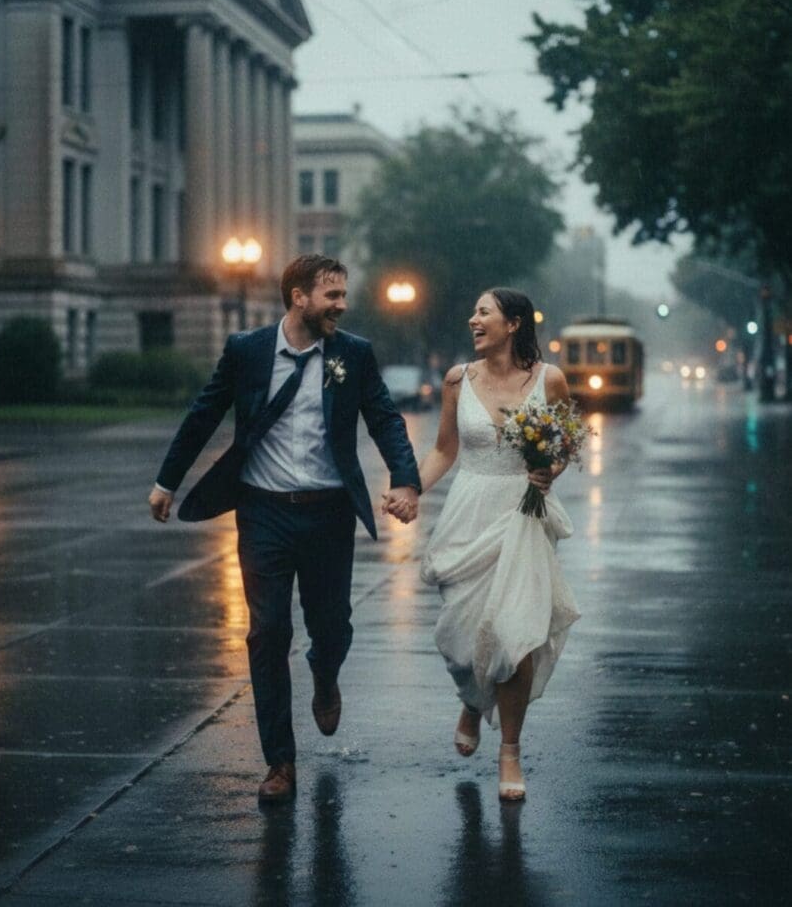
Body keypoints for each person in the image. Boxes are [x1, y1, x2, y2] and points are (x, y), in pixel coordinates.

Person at [148, 255, 421, 803]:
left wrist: (406, 480)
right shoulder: (246, 351)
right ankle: (280, 763)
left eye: (344, 295)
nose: (342, 305)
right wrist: (167, 481)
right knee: (267, 631)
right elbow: (204, 414)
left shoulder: (354, 354)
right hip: (264, 512)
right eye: (332, 295)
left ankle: (325, 672)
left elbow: (385, 417)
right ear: (298, 296)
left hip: (328, 513)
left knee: (333, 626)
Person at [392, 288, 580, 802]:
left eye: (484, 312)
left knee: (516, 639)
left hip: (523, 519)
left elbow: (566, 443)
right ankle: (473, 703)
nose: (473, 319)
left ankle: (511, 752)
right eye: (473, 311)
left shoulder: (550, 380)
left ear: (513, 323)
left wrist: (550, 471)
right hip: (469, 517)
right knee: (461, 638)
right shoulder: (458, 380)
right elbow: (443, 451)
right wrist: (409, 488)